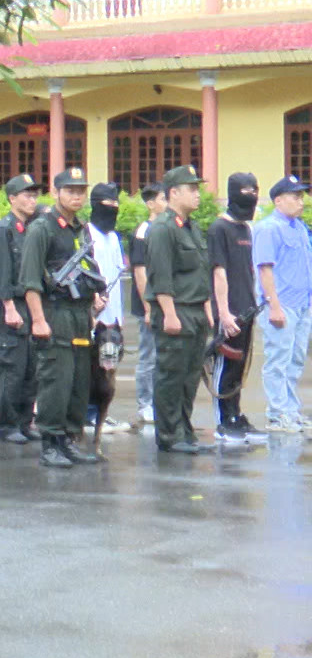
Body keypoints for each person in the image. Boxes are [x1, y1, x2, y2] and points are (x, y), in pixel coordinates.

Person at [21, 168, 106, 467]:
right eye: (70, 190)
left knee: (78, 381)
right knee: (56, 380)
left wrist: (94, 298)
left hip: (80, 313)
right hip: (54, 313)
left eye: (81, 191)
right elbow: (30, 280)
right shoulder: (41, 229)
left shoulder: (80, 229)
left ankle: (68, 439)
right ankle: (50, 442)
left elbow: (87, 268)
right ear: (56, 193)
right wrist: (38, 320)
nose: (76, 196)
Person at [145, 165, 213, 455]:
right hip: (176, 310)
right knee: (171, 375)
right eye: (192, 189)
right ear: (174, 193)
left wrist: (207, 309)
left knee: (189, 376)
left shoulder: (190, 227)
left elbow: (200, 271)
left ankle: (184, 430)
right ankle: (169, 435)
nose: (198, 194)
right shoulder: (163, 228)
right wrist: (169, 314)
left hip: (195, 310)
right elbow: (161, 276)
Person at [254, 176, 312, 433]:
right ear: (278, 200)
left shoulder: (299, 228)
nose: (301, 202)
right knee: (278, 360)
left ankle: (290, 410)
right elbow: (265, 269)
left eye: (302, 196)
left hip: (302, 304)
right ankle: (277, 414)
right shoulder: (268, 229)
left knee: (295, 360)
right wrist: (274, 305)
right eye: (295, 197)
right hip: (281, 304)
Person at [208, 172, 261, 444]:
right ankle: (223, 422)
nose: (251, 198)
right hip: (228, 312)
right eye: (246, 193)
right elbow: (219, 272)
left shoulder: (246, 230)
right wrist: (224, 313)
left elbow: (249, 270)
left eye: (254, 192)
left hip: (247, 309)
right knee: (226, 367)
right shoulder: (219, 229)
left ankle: (236, 415)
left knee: (239, 368)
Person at [0, 174, 43, 445]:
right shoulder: (4, 229)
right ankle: (8, 424)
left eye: (34, 196)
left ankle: (25, 421)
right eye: (27, 195)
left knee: (31, 369)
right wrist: (9, 306)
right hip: (12, 304)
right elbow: (2, 272)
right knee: (12, 369)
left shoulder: (32, 228)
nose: (32, 200)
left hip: (30, 304)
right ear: (12, 199)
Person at [85, 184, 130, 435]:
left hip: (113, 314)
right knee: (90, 366)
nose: (113, 208)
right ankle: (88, 414)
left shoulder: (114, 237)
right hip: (94, 313)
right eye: (107, 204)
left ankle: (101, 413)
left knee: (108, 365)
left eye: (115, 204)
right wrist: (92, 300)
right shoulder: (86, 234)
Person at [130, 185, 169, 425]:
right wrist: (148, 307)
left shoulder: (168, 229)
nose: (168, 203)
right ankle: (145, 404)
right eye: (163, 199)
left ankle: (161, 403)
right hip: (151, 305)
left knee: (165, 357)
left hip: (169, 304)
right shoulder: (143, 232)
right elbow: (139, 271)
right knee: (149, 356)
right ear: (150, 204)